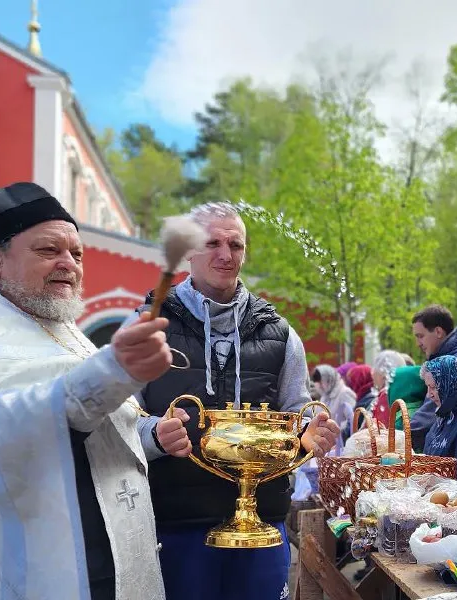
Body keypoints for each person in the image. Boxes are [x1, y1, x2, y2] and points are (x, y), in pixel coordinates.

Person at [0, 183, 170, 600]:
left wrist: (154, 438)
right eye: (48, 250)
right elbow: (3, 430)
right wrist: (114, 371)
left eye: (77, 254)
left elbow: (97, 434)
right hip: (39, 567)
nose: (68, 265)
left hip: (115, 558)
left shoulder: (63, 327)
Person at [132, 202, 340, 600]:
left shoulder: (280, 334)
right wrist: (154, 435)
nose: (226, 255)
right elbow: (121, 417)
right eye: (213, 243)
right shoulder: (148, 325)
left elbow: (296, 411)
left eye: (236, 245)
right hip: (177, 525)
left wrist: (307, 434)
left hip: (263, 524)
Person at [410, 304, 457, 451]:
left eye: (421, 336)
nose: (418, 343)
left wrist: (400, 437)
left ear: (438, 332)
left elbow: (431, 412)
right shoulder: (451, 356)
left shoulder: (455, 362)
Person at [312, 364, 356, 442]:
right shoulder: (325, 395)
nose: (320, 386)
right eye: (318, 383)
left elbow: (352, 421)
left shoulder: (345, 393)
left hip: (341, 441)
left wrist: (336, 433)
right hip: (327, 441)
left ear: (329, 379)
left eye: (321, 382)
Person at [371, 349, 406, 425]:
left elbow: (380, 427)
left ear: (383, 374)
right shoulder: (402, 390)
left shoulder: (386, 395)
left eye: (374, 371)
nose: (372, 376)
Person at [347, 364, 376, 430]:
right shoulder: (369, 395)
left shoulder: (365, 401)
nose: (350, 385)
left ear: (359, 380)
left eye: (352, 381)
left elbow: (352, 428)